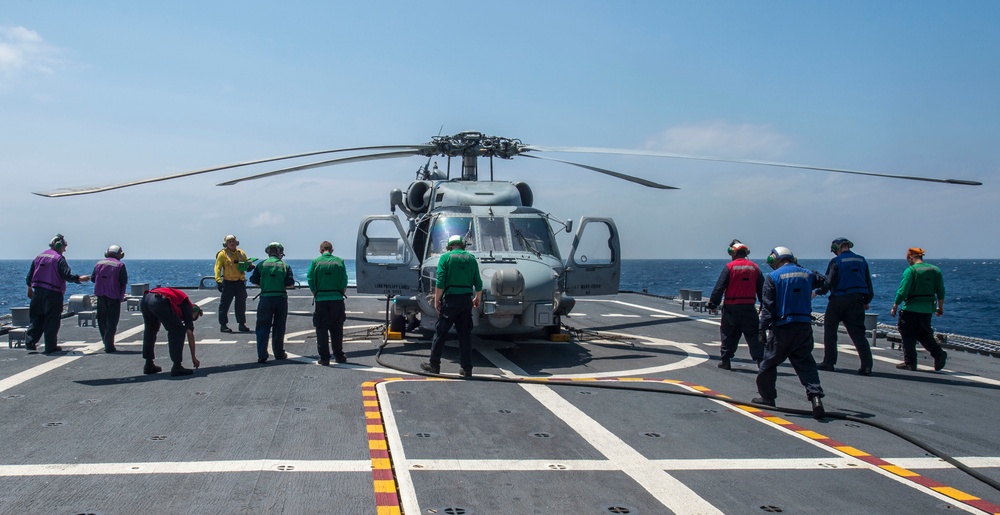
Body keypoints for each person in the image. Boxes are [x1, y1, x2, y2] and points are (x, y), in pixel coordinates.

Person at [754, 246, 829, 419]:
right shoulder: (807, 274)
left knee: (768, 364)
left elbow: (768, 308)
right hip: (803, 327)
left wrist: (762, 329)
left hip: (782, 328)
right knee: (806, 365)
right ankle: (816, 398)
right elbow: (825, 281)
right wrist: (800, 267)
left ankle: (767, 397)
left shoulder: (772, 277)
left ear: (775, 260)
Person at [421, 234, 483, 377]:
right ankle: (467, 369)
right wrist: (477, 298)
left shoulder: (446, 258)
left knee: (440, 333)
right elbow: (478, 283)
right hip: (466, 301)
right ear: (462, 245)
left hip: (450, 301)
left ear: (449, 246)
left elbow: (440, 281)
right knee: (465, 335)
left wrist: (437, 300)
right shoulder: (471, 259)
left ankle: (434, 365)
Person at [814, 238, 875, 375]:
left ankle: (829, 362)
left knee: (830, 331)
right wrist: (866, 301)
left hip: (838, 300)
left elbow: (829, 281)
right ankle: (866, 366)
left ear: (837, 248)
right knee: (858, 334)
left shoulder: (836, 261)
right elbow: (868, 283)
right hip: (857, 301)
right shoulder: (862, 260)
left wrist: (818, 292)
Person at [25, 234, 90, 353]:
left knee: (36, 318)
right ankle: (50, 346)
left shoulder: (39, 256)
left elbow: (30, 276)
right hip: (53, 293)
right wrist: (80, 278)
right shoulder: (59, 259)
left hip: (38, 292)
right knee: (52, 320)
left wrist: (30, 289)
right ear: (59, 245)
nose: (65, 250)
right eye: (64, 247)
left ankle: (30, 341)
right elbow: (66, 275)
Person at [707, 239, 763, 370]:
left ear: (733, 253)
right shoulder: (755, 268)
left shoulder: (730, 267)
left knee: (728, 334)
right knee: (754, 336)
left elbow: (719, 287)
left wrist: (713, 303)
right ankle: (762, 363)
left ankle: (725, 360)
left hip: (731, 308)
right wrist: (765, 305)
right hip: (749, 308)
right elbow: (762, 290)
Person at [890, 247, 947, 372]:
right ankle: (938, 353)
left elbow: (902, 291)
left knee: (907, 334)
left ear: (911, 257)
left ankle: (910, 362)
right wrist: (940, 307)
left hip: (911, 308)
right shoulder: (935, 270)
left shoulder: (911, 271)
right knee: (924, 334)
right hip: (927, 309)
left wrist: (895, 305)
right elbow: (941, 290)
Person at [140, 286, 201, 376]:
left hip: (146, 299)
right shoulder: (187, 307)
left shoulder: (180, 302)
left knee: (150, 330)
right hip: (159, 300)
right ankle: (177, 366)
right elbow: (189, 333)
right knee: (178, 330)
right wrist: (194, 358)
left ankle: (148, 364)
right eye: (194, 318)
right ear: (194, 312)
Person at [249, 242, 294, 364]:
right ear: (280, 252)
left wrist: (266, 284)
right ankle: (279, 353)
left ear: (268, 252)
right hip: (280, 298)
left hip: (265, 298)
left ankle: (262, 355)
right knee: (279, 327)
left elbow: (254, 280)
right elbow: (290, 283)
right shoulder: (285, 266)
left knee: (263, 327)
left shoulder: (261, 265)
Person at [307, 241, 349, 366]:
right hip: (337, 299)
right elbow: (344, 279)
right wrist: (341, 291)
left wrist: (315, 292)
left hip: (321, 300)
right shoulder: (340, 261)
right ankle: (339, 355)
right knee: (337, 329)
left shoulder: (315, 262)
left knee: (321, 329)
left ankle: (324, 358)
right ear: (332, 250)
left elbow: (310, 278)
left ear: (320, 250)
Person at [92, 244, 129, 353]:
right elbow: (123, 282)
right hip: (114, 296)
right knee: (112, 321)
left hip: (100, 295)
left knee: (102, 320)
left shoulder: (99, 264)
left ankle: (105, 341)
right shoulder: (120, 265)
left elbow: (93, 278)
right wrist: (121, 295)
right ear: (120, 254)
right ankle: (109, 344)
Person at [214, 234, 253, 333]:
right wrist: (218, 281)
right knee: (224, 305)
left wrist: (249, 267)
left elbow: (247, 264)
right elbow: (217, 268)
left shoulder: (241, 253)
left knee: (241, 304)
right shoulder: (222, 254)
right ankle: (223, 325)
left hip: (240, 283)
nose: (232, 243)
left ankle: (241, 324)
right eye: (229, 241)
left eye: (233, 241)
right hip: (228, 283)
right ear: (226, 244)